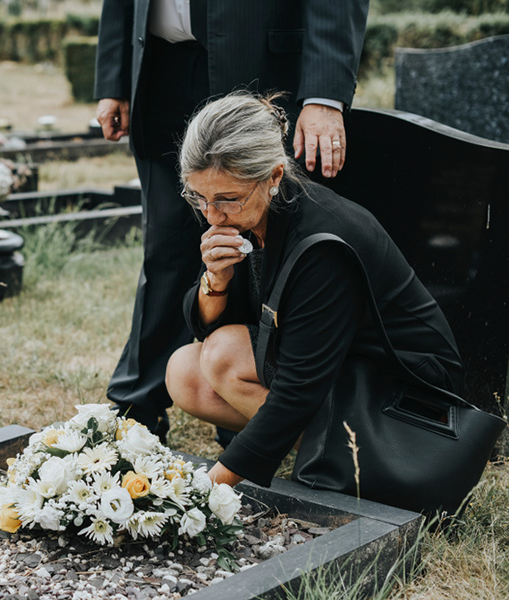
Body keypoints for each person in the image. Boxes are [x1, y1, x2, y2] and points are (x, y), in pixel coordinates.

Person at [93, 0, 371, 441]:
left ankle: (246, 400)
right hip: (158, 64)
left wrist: (324, 92)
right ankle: (136, 405)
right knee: (163, 245)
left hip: (259, 60)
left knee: (261, 236)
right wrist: (114, 76)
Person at [164, 92, 465, 488]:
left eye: (227, 200)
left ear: (273, 176)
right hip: (334, 369)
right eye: (199, 197)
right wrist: (215, 282)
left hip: (406, 397)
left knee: (223, 355)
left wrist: (207, 489)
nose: (212, 215)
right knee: (186, 371)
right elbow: (206, 327)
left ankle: (355, 457)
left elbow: (298, 387)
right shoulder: (246, 215)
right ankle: (324, 448)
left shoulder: (324, 243)